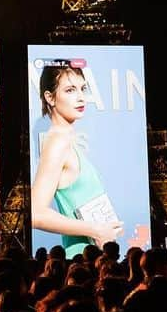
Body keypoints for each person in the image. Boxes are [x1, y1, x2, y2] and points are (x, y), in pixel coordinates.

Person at [30, 63, 123, 257]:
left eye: (83, 89)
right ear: (50, 97)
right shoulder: (57, 143)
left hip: (94, 258)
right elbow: (36, 214)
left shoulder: (66, 142)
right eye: (70, 90)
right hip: (81, 261)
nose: (81, 97)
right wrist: (96, 230)